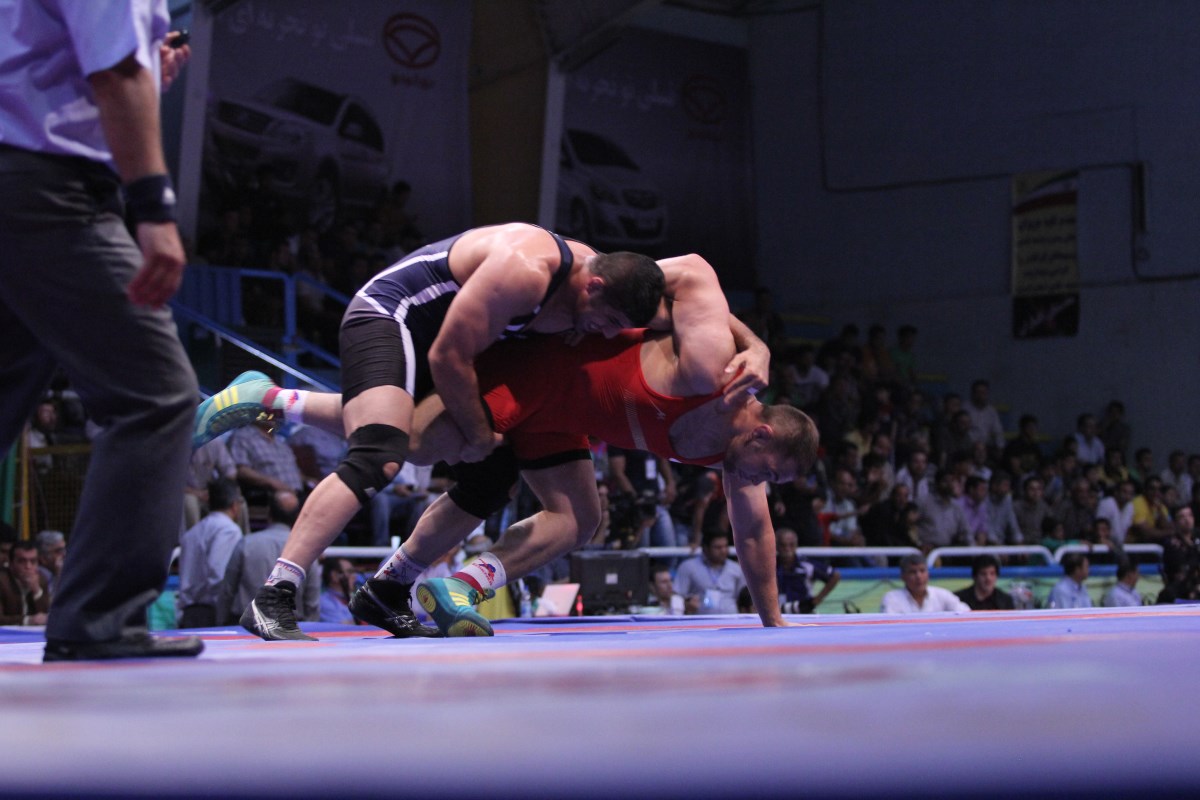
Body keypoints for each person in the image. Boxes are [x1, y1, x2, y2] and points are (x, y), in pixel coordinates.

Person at [196, 222, 669, 640]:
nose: (607, 333)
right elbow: (447, 356)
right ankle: (275, 592)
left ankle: (388, 588)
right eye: (609, 322)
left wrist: (733, 340)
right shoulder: (528, 271)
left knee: (490, 478)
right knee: (379, 453)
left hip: (452, 345)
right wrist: (478, 432)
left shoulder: (599, 286)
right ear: (594, 285)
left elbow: (688, 276)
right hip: (394, 316)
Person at [0, 1, 203, 661]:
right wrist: (154, 207)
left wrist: (144, 72)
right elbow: (115, 75)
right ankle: (98, 619)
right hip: (47, 190)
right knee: (154, 396)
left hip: (20, 180)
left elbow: (72, 70)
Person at [216, 490, 320, 626]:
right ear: (297, 517)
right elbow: (312, 602)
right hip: (289, 629)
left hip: (248, 628)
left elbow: (227, 591)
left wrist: (221, 623)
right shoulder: (306, 549)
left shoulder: (246, 543)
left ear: (269, 513)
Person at [177, 479, 245, 628]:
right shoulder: (229, 530)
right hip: (211, 612)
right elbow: (218, 574)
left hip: (188, 611)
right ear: (234, 505)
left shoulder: (192, 532)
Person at [673, 530, 746, 615]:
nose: (723, 551)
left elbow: (743, 597)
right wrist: (685, 605)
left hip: (731, 619)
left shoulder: (736, 569)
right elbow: (677, 597)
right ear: (705, 548)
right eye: (718, 547)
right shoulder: (688, 567)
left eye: (725, 546)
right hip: (700, 620)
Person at [775, 527, 840, 614]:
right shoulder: (770, 566)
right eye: (783, 545)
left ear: (796, 545)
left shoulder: (806, 565)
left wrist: (816, 601)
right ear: (776, 546)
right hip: (778, 612)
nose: (787, 549)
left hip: (802, 611)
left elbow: (835, 576)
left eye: (791, 545)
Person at [880, 554, 970, 613]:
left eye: (922, 571)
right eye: (913, 572)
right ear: (903, 576)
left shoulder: (942, 594)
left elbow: (966, 613)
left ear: (928, 574)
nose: (918, 576)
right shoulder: (892, 598)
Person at [0, 541, 51, 626]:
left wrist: (36, 591)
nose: (28, 566)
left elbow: (47, 615)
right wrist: (27, 620)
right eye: (22, 561)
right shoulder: (2, 582)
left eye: (33, 561)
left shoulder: (42, 580)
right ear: (11, 563)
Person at [317, 557, 359, 625]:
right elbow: (345, 627)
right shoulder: (324, 602)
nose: (355, 576)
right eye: (350, 571)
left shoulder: (356, 598)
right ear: (334, 575)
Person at [34, 529, 66, 595]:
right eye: (59, 551)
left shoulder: (56, 572)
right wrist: (60, 575)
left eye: (64, 549)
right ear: (43, 558)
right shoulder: (39, 577)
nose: (64, 554)